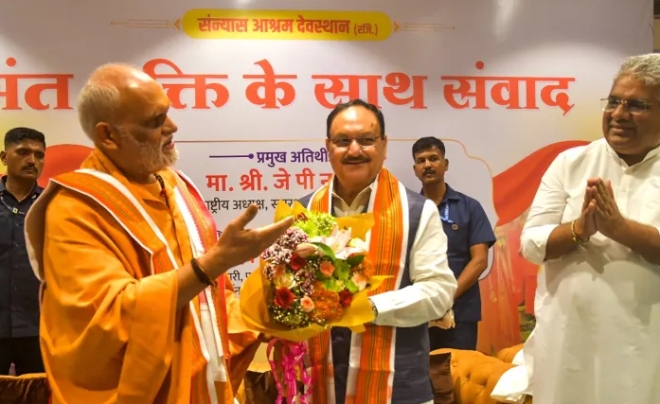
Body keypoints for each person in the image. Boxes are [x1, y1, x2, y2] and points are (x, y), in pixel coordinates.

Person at [23, 64, 293, 404]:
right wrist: (215, 262)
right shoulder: (75, 208)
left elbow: (210, 300)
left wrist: (261, 319)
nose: (172, 126)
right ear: (108, 136)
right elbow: (109, 317)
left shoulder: (177, 187)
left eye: (168, 112)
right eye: (155, 121)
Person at [521, 52, 660, 404]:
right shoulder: (571, 163)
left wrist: (621, 230)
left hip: (646, 350)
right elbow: (532, 244)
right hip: (567, 346)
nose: (618, 114)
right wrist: (579, 229)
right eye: (614, 101)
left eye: (637, 105)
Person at [297, 99, 457, 404]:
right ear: (328, 147)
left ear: (384, 145)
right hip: (319, 385)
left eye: (366, 139)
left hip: (399, 389)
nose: (354, 150)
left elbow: (439, 292)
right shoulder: (304, 211)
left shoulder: (417, 211)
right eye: (343, 141)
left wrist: (369, 307)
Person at [411, 136, 496, 351]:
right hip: (419, 312)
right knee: (421, 370)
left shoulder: (469, 207)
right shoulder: (409, 211)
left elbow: (480, 261)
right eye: (421, 161)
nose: (427, 165)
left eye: (433, 158)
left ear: (445, 164)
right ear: (415, 169)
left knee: (460, 369)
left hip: (460, 312)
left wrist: (446, 298)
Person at [0, 127, 46, 376]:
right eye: (23, 152)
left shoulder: (53, 205)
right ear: (4, 157)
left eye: (39, 155)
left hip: (37, 328)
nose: (32, 160)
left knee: (38, 392)